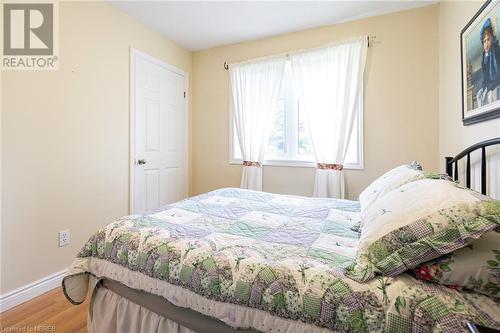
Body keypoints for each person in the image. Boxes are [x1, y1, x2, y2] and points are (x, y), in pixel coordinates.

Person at [477, 18, 500, 107]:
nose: (486, 44)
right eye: (484, 41)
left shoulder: (497, 51)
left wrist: (489, 87)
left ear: (492, 39)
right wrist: (483, 88)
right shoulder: (485, 56)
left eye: (488, 40)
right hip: (490, 87)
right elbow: (485, 76)